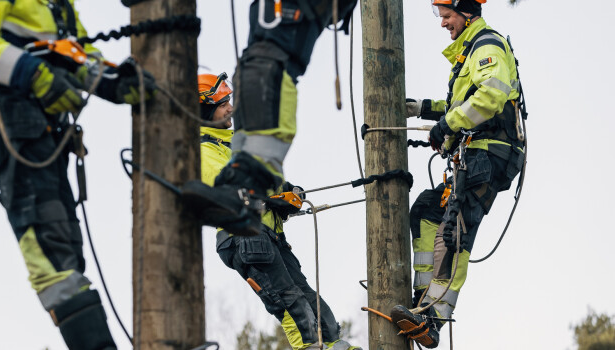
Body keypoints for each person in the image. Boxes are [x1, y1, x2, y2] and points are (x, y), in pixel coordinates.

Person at [0, 0, 155, 349]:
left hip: (44, 125)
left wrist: (112, 82)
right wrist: (34, 73)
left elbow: (75, 54)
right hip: (6, 111)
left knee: (66, 245)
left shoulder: (57, 3)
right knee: (52, 252)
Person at [390, 0, 526, 348]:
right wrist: (423, 110)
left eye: (446, 15)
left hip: (490, 154)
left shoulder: (487, 45)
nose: (443, 23)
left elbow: (491, 97)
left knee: (454, 230)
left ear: (467, 12)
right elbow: (461, 104)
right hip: (477, 155)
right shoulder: (470, 52)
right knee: (426, 210)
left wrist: (446, 125)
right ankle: (423, 298)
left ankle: (432, 317)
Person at [197, 73, 358, 350]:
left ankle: (334, 345)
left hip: (267, 234)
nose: (230, 108)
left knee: (309, 298)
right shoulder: (202, 149)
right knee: (288, 301)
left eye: (229, 101)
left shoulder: (234, 145)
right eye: (223, 103)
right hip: (243, 235)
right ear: (204, 109)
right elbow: (231, 186)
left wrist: (286, 191)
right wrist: (272, 196)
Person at [182, 0, 359, 236]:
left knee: (263, 80)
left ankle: (250, 189)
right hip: (266, 55)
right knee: (250, 77)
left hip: (277, 61)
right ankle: (243, 189)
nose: (230, 109)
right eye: (222, 104)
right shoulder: (212, 145)